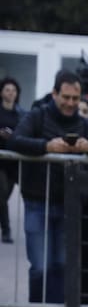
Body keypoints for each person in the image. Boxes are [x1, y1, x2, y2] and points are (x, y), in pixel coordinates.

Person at [9, 70, 88, 307]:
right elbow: (16, 141)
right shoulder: (37, 116)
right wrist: (47, 147)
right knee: (40, 264)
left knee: (61, 264)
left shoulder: (82, 122)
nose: (70, 103)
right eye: (65, 97)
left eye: (75, 98)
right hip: (37, 200)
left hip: (68, 203)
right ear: (54, 94)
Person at [0, 76, 24, 243]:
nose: (11, 93)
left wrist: (13, 136)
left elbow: (24, 133)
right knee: (1, 194)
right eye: (8, 90)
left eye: (14, 90)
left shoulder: (21, 113)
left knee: (4, 196)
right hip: (0, 160)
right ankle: (6, 230)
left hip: (14, 161)